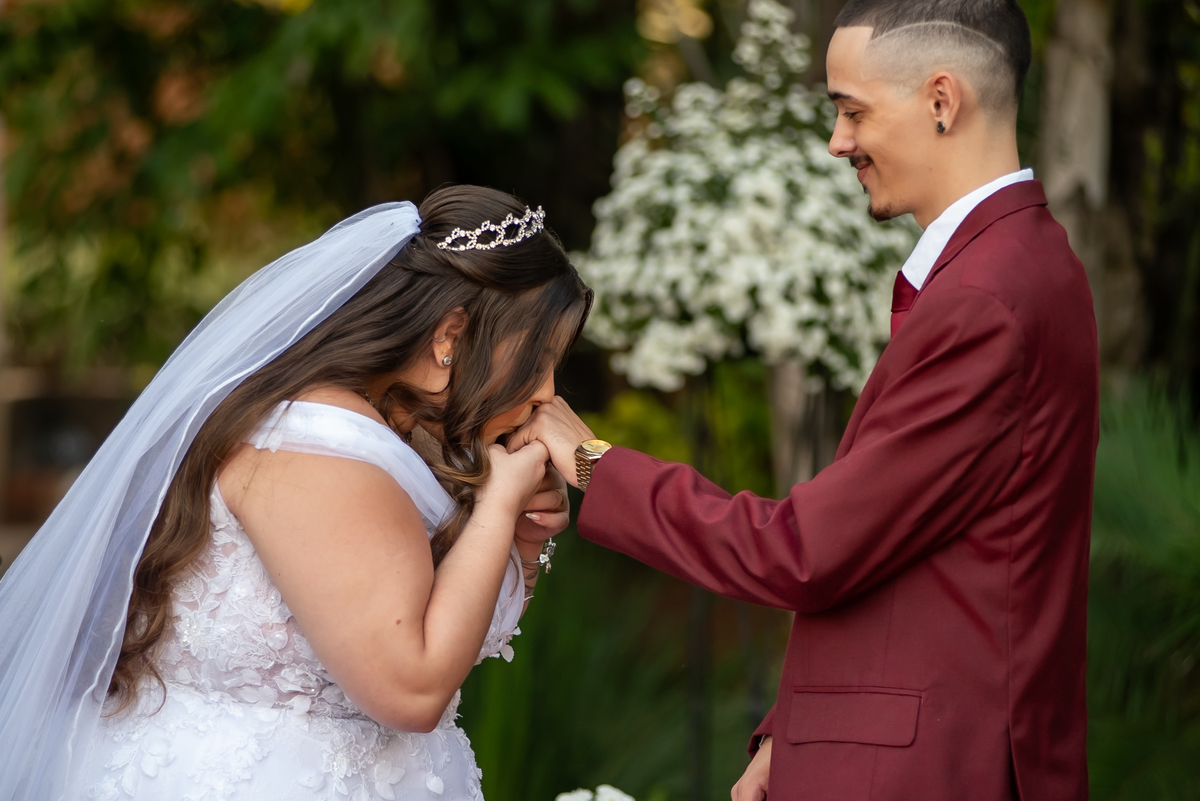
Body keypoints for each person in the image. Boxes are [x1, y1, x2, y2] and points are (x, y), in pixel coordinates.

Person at [509, 1, 1098, 800]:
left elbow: (806, 549)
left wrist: (592, 461)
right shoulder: (1023, 264)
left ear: (941, 100)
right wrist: (796, 725)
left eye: (853, 111)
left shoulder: (985, 301)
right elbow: (917, 552)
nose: (837, 142)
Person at [0, 186, 592, 800]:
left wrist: (521, 537)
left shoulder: (390, 430)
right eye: (537, 359)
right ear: (449, 336)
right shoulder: (317, 450)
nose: (547, 392)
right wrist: (495, 507)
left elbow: (451, 627)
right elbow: (412, 688)